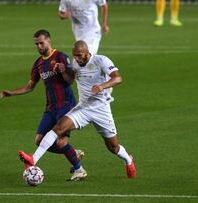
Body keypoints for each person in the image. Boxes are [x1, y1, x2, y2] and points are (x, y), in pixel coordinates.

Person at [19, 40, 136, 181]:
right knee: (59, 128)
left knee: (113, 147)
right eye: (75, 56)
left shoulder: (101, 60)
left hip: (101, 110)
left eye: (80, 55)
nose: (77, 59)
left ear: (87, 52)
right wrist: (64, 70)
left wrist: (102, 86)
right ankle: (33, 159)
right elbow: (69, 78)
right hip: (83, 108)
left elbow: (118, 78)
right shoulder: (75, 63)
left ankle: (128, 160)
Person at [0, 29, 85, 179]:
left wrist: (64, 71)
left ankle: (79, 170)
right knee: (39, 140)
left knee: (60, 142)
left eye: (41, 43)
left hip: (65, 105)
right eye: (36, 44)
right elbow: (30, 86)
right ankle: (72, 153)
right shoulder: (38, 64)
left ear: (49, 41)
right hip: (50, 107)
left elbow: (70, 80)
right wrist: (11, 93)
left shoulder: (61, 57)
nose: (39, 46)